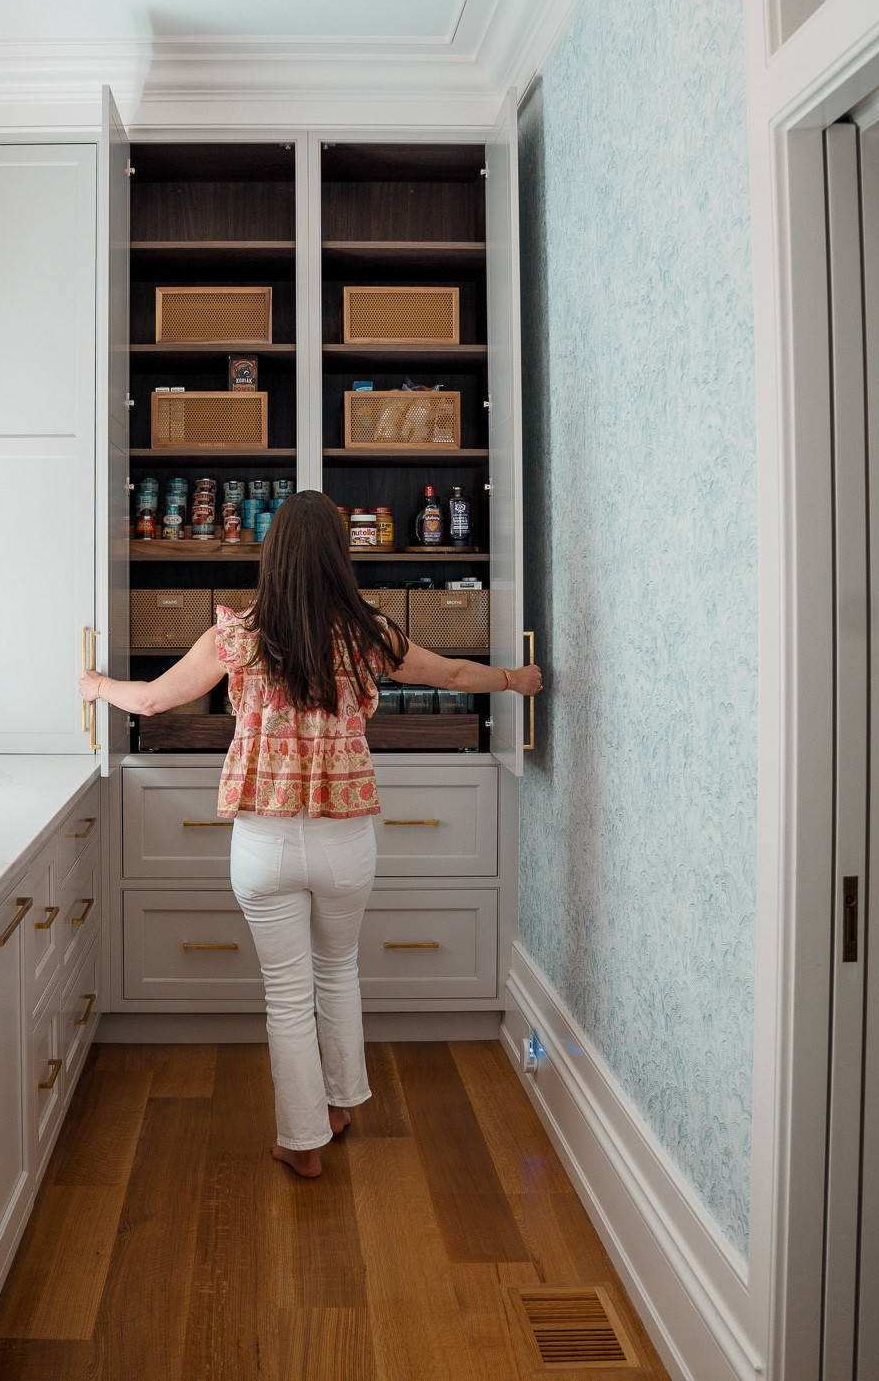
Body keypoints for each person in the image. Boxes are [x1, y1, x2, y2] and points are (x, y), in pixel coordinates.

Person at [78, 488, 542, 1178]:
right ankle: (338, 1102)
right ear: (338, 553)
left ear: (274, 554)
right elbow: (449, 672)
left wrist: (95, 684)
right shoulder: (368, 633)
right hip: (345, 837)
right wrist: (516, 677)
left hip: (264, 844)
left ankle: (302, 1141)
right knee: (338, 970)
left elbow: (149, 699)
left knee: (287, 992)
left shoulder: (236, 636)